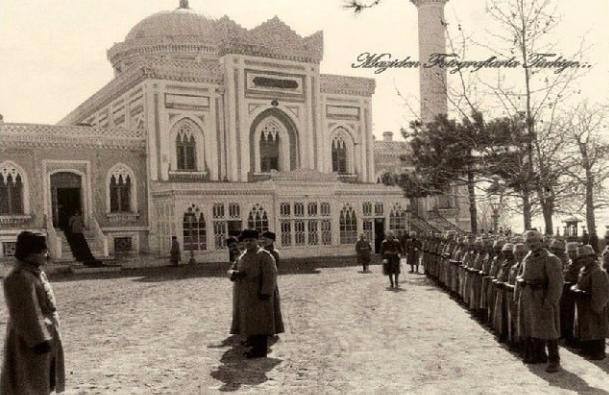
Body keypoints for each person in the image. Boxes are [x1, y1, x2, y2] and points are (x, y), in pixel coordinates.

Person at [1, 231, 65, 394]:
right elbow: (25, 313)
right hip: (30, 342)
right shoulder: (18, 276)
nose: (46, 255)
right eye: (43, 251)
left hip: (46, 338)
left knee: (42, 382)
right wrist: (39, 341)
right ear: (30, 253)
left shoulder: (35, 273)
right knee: (28, 383)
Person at [516, 230, 564, 373]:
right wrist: (521, 284)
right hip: (529, 298)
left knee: (549, 330)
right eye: (529, 242)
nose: (532, 244)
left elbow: (556, 283)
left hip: (543, 298)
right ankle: (539, 355)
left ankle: (554, 360)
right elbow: (520, 275)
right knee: (533, 327)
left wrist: (550, 302)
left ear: (541, 241)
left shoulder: (551, 259)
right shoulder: (527, 258)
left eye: (535, 241)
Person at [230, 229, 280, 358]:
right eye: (246, 241)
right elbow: (232, 268)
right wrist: (233, 274)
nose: (248, 243)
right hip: (244, 295)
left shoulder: (264, 255)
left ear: (257, 240)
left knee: (260, 322)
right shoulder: (243, 255)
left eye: (251, 240)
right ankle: (252, 342)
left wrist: (266, 292)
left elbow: (271, 275)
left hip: (258, 295)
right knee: (249, 320)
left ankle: (260, 350)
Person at [571, 245, 609, 360]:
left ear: (592, 257)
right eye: (581, 258)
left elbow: (600, 292)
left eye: (585, 257)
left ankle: (598, 352)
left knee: (597, 328)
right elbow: (580, 283)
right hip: (584, 304)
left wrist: (598, 307)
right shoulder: (583, 270)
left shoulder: (597, 271)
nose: (583, 260)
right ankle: (588, 349)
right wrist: (575, 288)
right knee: (586, 327)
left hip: (594, 303)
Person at [260, 231, 285, 338]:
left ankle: (271, 329)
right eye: (263, 238)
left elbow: (274, 269)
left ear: (272, 240)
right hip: (261, 282)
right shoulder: (261, 251)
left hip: (270, 282)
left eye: (267, 238)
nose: (264, 240)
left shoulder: (274, 252)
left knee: (271, 306)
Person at [561, 242, 582, 346]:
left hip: (575, 292)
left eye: (574, 252)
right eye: (569, 252)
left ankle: (575, 338)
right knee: (567, 314)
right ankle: (568, 336)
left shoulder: (580, 263)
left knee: (574, 316)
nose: (571, 254)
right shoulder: (569, 262)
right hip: (567, 292)